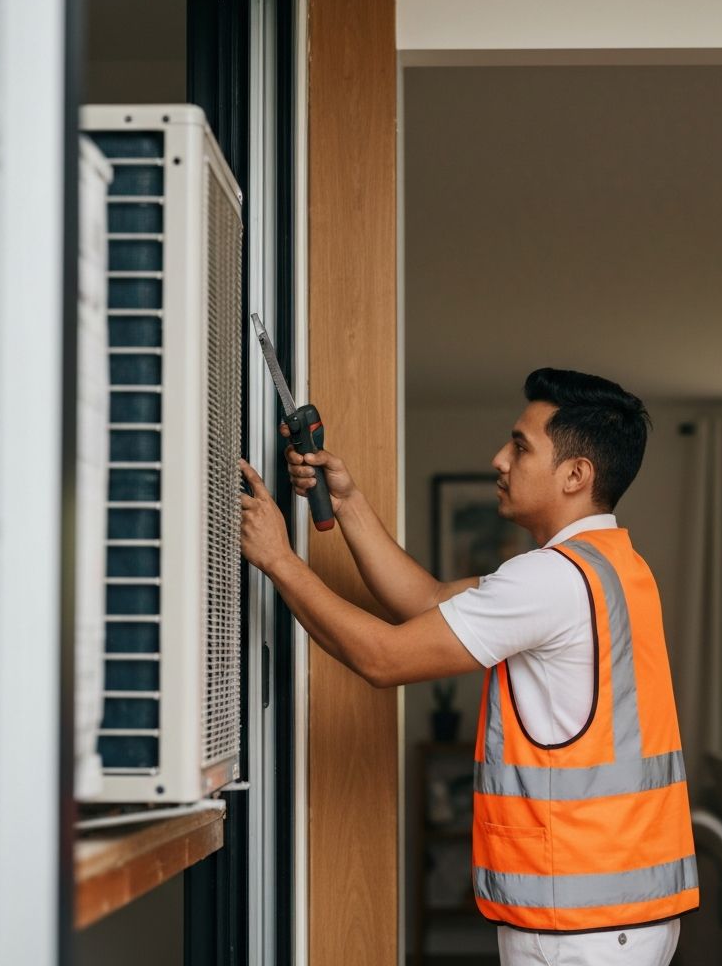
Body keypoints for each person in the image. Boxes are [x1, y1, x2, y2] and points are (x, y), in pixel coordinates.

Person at [239, 367, 698, 966]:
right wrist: (347, 502)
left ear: (575, 475)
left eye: (520, 446)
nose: (499, 459)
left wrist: (280, 561)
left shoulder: (553, 578)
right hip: (614, 912)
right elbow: (427, 601)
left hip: (584, 926)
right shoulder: (609, 567)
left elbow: (384, 658)